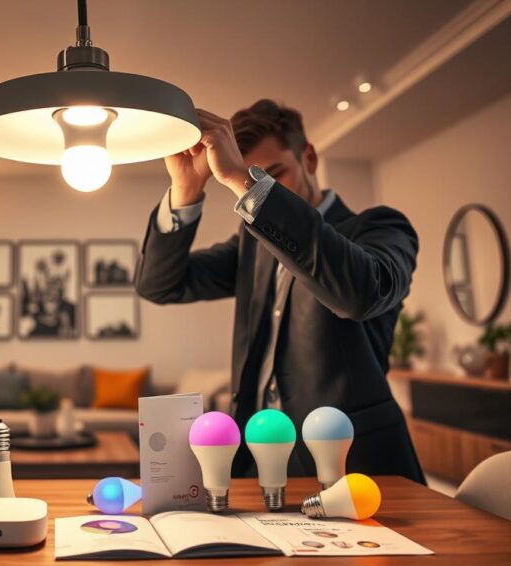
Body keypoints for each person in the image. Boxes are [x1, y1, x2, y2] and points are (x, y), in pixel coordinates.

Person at [135, 99, 425, 483]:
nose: (261, 187)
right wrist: (185, 189)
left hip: (352, 468)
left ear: (309, 157)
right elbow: (160, 284)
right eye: (256, 180)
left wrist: (244, 180)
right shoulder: (252, 245)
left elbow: (359, 295)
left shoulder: (381, 228)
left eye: (273, 175)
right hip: (256, 465)